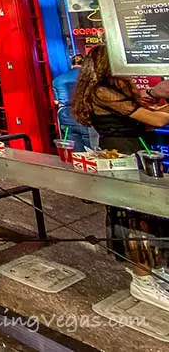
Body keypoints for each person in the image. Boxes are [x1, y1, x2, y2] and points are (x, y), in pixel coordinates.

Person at [72, 45, 169, 311]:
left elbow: (151, 120)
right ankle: (143, 279)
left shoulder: (116, 90)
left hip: (139, 154)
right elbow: (156, 120)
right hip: (123, 157)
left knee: (152, 215)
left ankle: (156, 268)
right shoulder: (103, 91)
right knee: (138, 220)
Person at [53, 54, 90, 152]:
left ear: (71, 64)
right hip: (85, 115)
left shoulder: (57, 80)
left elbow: (56, 101)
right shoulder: (89, 78)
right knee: (92, 151)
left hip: (65, 116)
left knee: (76, 153)